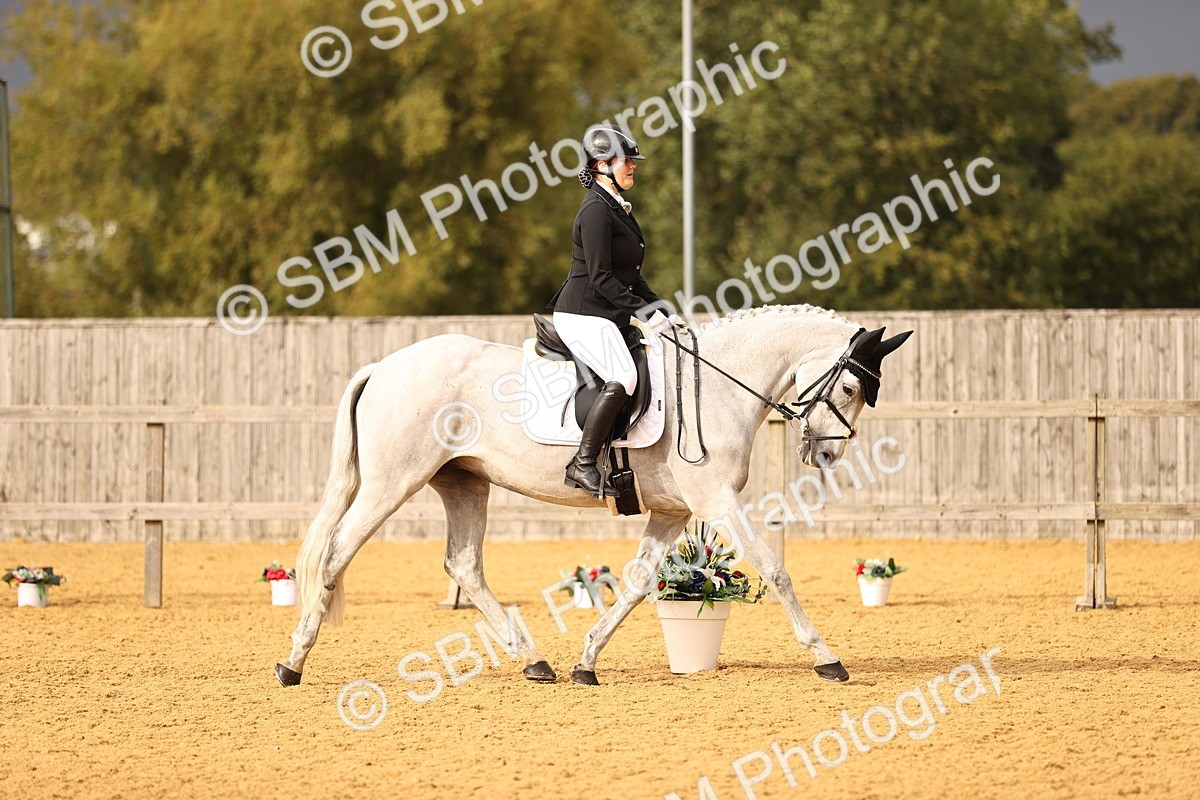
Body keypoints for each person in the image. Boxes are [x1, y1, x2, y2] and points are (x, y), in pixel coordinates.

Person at [546, 125, 682, 497]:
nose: (633, 167)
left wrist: (662, 309)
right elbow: (602, 278)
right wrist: (644, 312)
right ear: (602, 164)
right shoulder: (595, 210)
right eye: (627, 161)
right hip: (582, 314)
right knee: (624, 376)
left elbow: (631, 276)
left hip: (604, 315)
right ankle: (582, 463)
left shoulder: (615, 207)